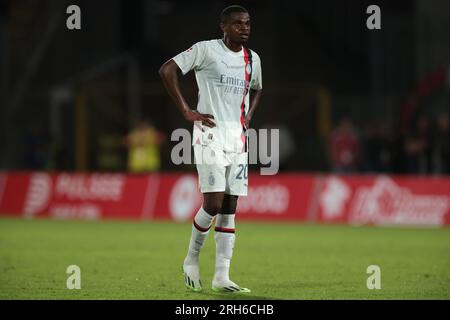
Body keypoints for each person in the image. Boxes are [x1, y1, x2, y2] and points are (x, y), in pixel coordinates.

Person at [159, 5, 263, 293]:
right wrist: (185, 110)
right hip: (209, 135)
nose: (245, 27)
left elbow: (257, 88)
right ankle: (191, 259)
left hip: (237, 140)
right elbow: (167, 69)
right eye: (239, 23)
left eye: (248, 22)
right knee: (214, 203)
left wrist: (249, 116)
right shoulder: (205, 50)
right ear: (223, 26)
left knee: (230, 207)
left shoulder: (253, 59)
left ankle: (221, 276)